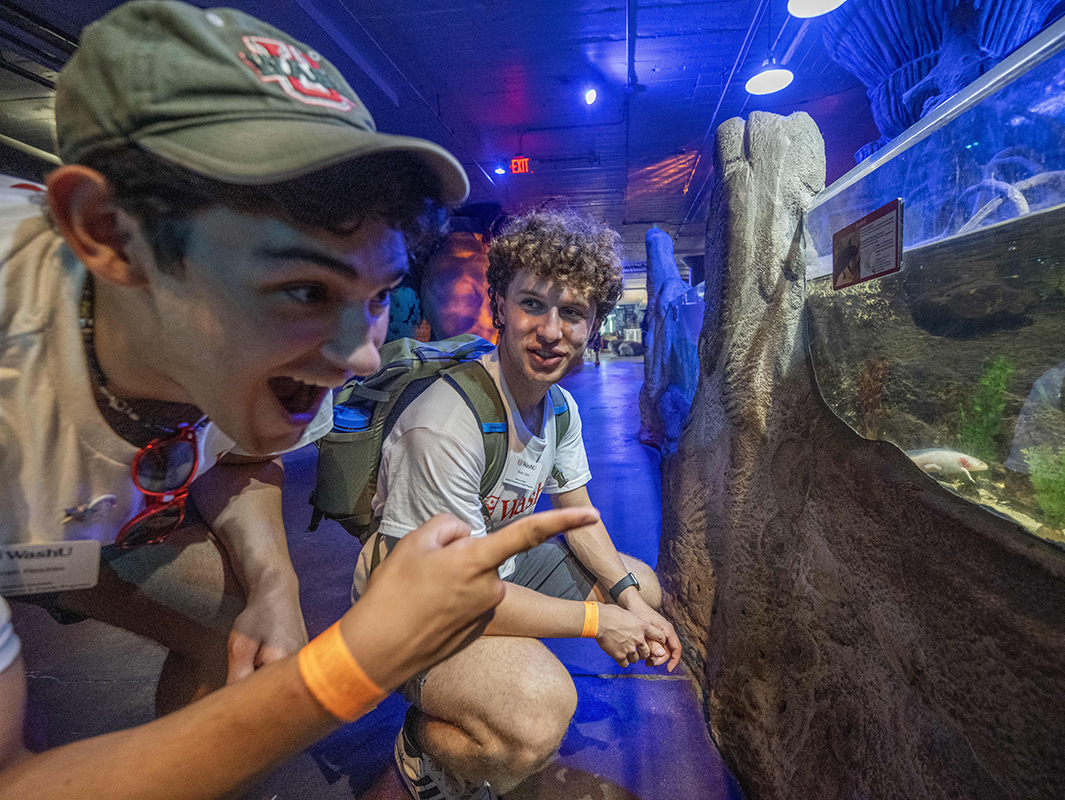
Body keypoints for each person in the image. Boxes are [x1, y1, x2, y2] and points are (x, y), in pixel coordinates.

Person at [0, 2, 596, 797]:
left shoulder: (305, 351)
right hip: (28, 474)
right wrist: (349, 665)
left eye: (379, 293)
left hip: (83, 512)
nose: (357, 357)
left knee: (234, 623)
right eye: (303, 287)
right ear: (107, 231)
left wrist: (276, 587)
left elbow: (243, 460)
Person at [353, 210, 683, 800]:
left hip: (487, 573)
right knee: (537, 717)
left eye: (573, 313)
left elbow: (580, 520)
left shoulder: (558, 409)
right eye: (533, 304)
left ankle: (484, 682)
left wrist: (631, 602)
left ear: (594, 325)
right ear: (500, 306)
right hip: (412, 606)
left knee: (644, 588)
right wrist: (600, 621)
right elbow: (454, 595)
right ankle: (422, 746)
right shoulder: (446, 424)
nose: (551, 331)